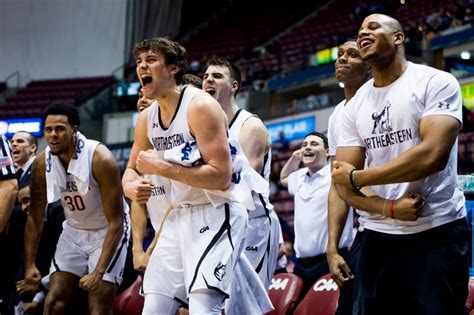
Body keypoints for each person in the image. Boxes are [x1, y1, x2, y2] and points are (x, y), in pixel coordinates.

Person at [331, 13, 468, 314]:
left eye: (373, 27)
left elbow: (432, 156)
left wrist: (360, 178)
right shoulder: (353, 107)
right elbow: (342, 183)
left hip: (437, 229)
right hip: (377, 237)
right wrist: (388, 208)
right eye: (360, 29)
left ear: (398, 37)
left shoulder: (436, 82)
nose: (364, 32)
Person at [128, 37, 248, 314]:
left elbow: (220, 177)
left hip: (217, 211)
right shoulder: (147, 118)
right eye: (139, 62)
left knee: (202, 308)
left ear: (173, 68)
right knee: (154, 307)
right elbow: (132, 169)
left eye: (151, 60)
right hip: (178, 214)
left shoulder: (200, 106)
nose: (142, 66)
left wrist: (161, 168)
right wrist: (131, 186)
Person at [24, 102, 130, 314]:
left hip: (106, 231)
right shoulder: (41, 163)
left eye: (60, 129)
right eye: (48, 129)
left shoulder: (100, 158)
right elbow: (35, 216)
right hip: (73, 230)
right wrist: (30, 264)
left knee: (99, 306)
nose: (53, 135)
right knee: (53, 301)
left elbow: (116, 222)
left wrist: (98, 272)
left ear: (75, 129)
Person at [203, 58, 280, 303]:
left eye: (217, 76)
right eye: (206, 76)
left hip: (253, 224)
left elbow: (243, 190)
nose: (208, 80)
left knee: (246, 305)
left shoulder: (250, 126)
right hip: (221, 222)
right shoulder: (205, 129)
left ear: (234, 86)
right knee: (212, 301)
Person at [280, 132, 353, 296]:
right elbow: (283, 177)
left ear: (327, 152)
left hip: (331, 260)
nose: (307, 147)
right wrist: (294, 158)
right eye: (304, 145)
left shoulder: (335, 173)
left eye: (314, 144)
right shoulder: (298, 176)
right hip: (301, 265)